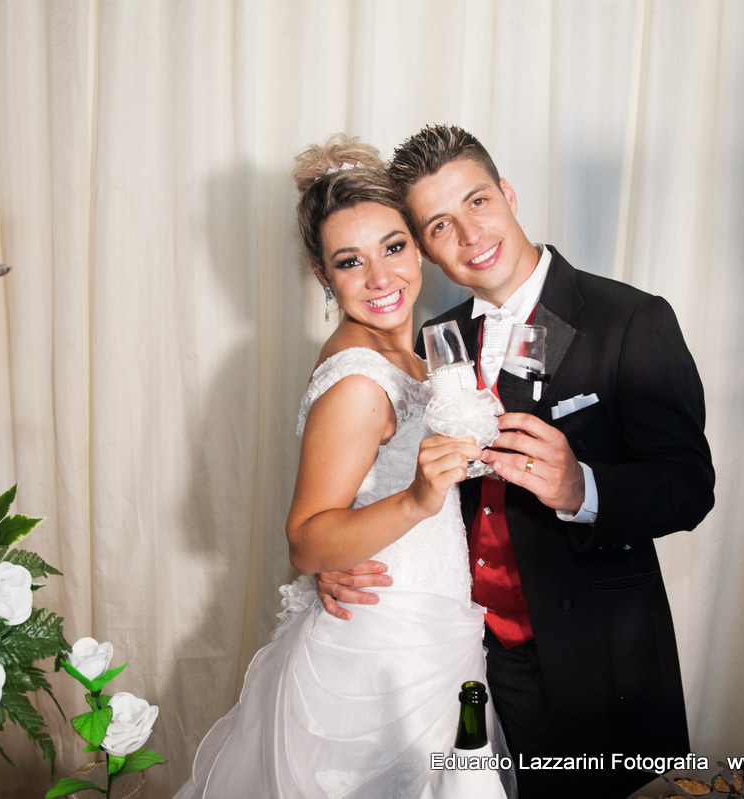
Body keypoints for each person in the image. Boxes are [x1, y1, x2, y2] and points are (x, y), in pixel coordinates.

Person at [316, 125, 716, 798]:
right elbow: (410, 480)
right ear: (426, 248)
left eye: (477, 202)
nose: (470, 235)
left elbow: (690, 487)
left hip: (597, 660)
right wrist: (339, 551)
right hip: (469, 655)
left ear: (507, 193)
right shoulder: (435, 337)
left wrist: (583, 487)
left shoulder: (629, 320)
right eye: (439, 225)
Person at [173, 135, 513, 799]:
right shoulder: (359, 379)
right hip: (382, 651)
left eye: (393, 247)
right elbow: (306, 540)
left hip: (430, 632)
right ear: (322, 275)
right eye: (350, 262)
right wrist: (415, 499)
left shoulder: (413, 354)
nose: (380, 278)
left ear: (418, 246)